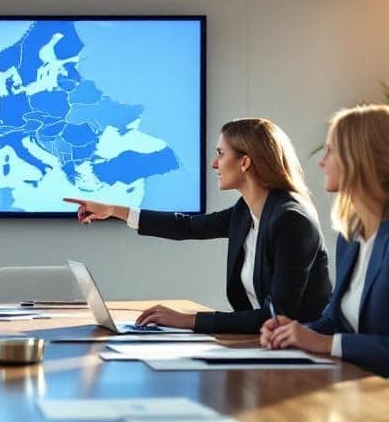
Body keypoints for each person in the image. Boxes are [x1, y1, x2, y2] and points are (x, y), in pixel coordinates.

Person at [260, 104, 389, 412]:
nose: (321, 162)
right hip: (365, 397)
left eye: (331, 151)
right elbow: (337, 319)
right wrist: (294, 332)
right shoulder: (351, 236)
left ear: (359, 160)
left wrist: (327, 344)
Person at [65, 118, 331, 334]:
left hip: (300, 353)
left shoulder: (291, 220)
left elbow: (277, 316)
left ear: (245, 162)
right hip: (263, 343)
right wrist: (113, 210)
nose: (214, 163)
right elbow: (188, 227)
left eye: (221, 154)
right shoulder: (245, 212)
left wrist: (189, 320)